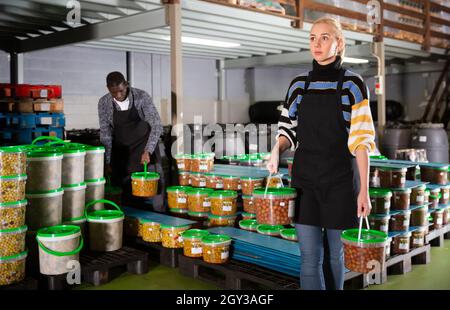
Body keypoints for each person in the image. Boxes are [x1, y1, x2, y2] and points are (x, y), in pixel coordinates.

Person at [267, 17, 376, 290]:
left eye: (324, 37)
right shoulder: (298, 85)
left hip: (340, 181)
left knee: (334, 255)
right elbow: (287, 130)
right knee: (309, 258)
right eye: (313, 37)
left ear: (339, 44)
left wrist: (363, 190)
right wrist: (275, 151)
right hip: (306, 181)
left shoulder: (353, 84)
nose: (317, 43)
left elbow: (362, 141)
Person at [98, 71, 165, 211]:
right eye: (113, 92)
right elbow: (106, 134)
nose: (118, 95)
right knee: (128, 203)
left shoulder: (141, 97)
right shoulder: (104, 103)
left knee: (154, 198)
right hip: (123, 157)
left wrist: (148, 150)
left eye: (121, 91)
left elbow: (157, 125)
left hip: (145, 152)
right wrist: (107, 161)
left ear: (126, 84)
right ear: (108, 89)